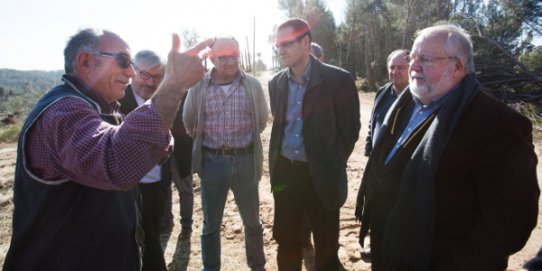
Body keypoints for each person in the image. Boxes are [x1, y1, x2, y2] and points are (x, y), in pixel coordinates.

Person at [3, 28, 213, 270]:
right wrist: (174, 83)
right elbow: (118, 162)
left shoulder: (97, 106)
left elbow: (146, 149)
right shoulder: (62, 113)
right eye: (123, 61)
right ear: (85, 62)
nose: (131, 72)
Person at [355, 24, 539, 270]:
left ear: (457, 67)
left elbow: (509, 224)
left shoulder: (498, 124)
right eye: (413, 57)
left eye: (426, 59)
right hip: (387, 250)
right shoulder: (406, 103)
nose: (414, 66)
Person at [268, 18, 361, 270]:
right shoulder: (276, 83)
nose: (281, 49)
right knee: (287, 243)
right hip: (286, 175)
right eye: (278, 44)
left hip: (322, 176)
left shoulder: (338, 80)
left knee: (326, 248)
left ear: (306, 42)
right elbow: (279, 127)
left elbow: (350, 131)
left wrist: (329, 162)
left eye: (287, 43)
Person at [182, 36, 268, 271]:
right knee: (211, 224)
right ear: (211, 58)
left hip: (246, 162)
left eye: (234, 55)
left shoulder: (252, 85)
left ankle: (257, 265)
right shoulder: (198, 87)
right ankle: (210, 267)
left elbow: (261, 121)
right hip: (212, 164)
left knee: (252, 222)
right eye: (223, 57)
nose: (230, 61)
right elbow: (189, 123)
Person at [118, 50, 168, 271]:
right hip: (129, 189)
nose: (150, 82)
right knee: (143, 243)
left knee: (152, 234)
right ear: (133, 72)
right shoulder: (117, 100)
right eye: (145, 75)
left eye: (157, 77)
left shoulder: (164, 100)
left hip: (157, 184)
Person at [364, 49, 409, 157]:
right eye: (392, 67)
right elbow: (373, 122)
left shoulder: (421, 97)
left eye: (401, 67)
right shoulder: (382, 92)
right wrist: (369, 148)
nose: (395, 71)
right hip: (378, 160)